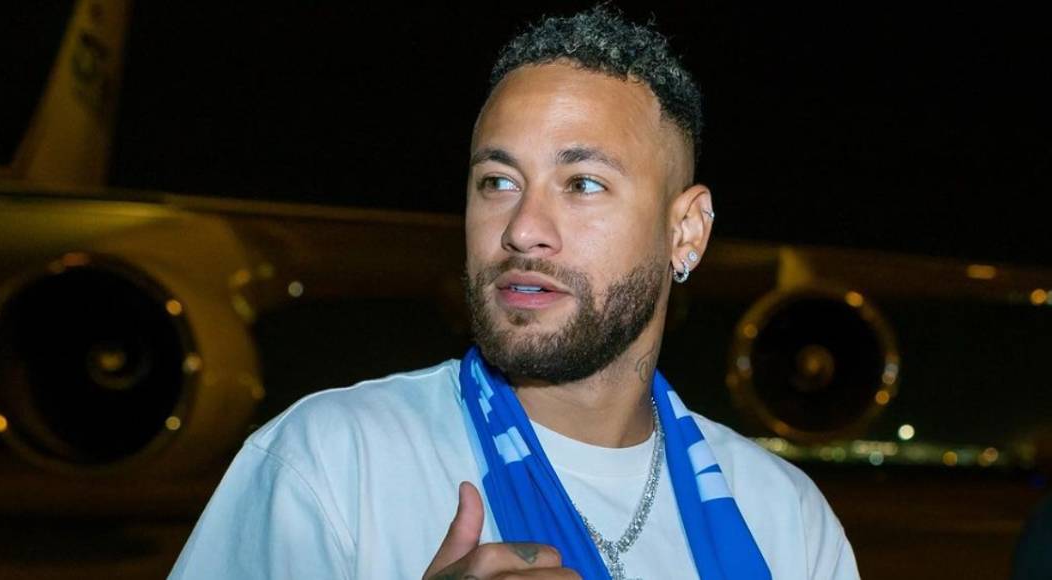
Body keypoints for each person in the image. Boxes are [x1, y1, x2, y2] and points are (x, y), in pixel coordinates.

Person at [169, 7, 859, 579]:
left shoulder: (786, 521)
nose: (523, 229)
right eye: (498, 182)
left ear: (686, 232)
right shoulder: (329, 464)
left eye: (583, 184)